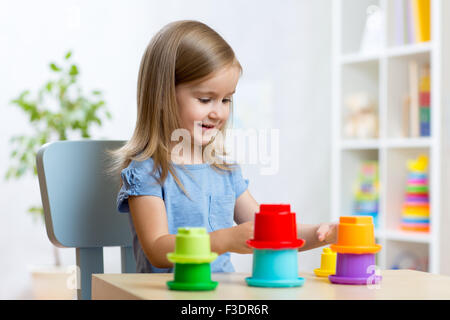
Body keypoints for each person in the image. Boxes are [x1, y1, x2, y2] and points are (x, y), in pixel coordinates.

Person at [110, 20, 337, 273]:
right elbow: (157, 249)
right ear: (163, 96)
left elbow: (269, 232)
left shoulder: (224, 170)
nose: (218, 112)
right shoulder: (148, 171)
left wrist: (323, 233)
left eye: (226, 99)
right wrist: (224, 240)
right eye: (206, 99)